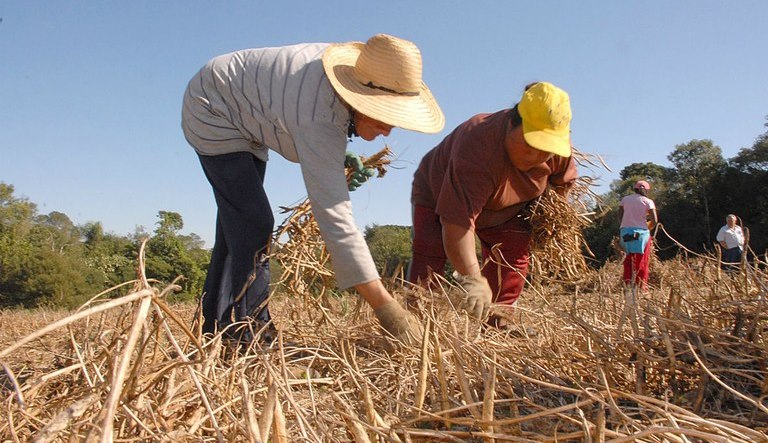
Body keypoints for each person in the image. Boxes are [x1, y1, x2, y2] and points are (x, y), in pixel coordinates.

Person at [181, 34, 444, 344]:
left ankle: (216, 330)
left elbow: (307, 125)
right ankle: (254, 334)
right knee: (253, 223)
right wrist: (387, 309)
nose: (389, 129)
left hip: (244, 109)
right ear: (359, 97)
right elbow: (335, 217)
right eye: (385, 115)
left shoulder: (347, 83)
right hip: (213, 107)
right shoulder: (318, 111)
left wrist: (337, 155)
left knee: (237, 228)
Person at [407, 82, 578, 328]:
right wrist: (472, 280)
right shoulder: (478, 144)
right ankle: (416, 323)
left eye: (546, 151)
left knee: (513, 256)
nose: (537, 157)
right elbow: (457, 224)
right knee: (429, 254)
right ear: (512, 122)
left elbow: (561, 186)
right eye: (531, 145)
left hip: (507, 209)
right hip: (437, 195)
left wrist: (546, 221)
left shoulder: (560, 151)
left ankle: (499, 321)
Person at [618, 180, 658, 289]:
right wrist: (649, 227)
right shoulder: (648, 201)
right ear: (644, 189)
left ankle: (627, 285)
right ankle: (641, 287)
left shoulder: (625, 199)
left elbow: (620, 216)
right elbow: (654, 220)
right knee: (642, 261)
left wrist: (624, 226)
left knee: (628, 260)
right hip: (641, 234)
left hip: (625, 232)